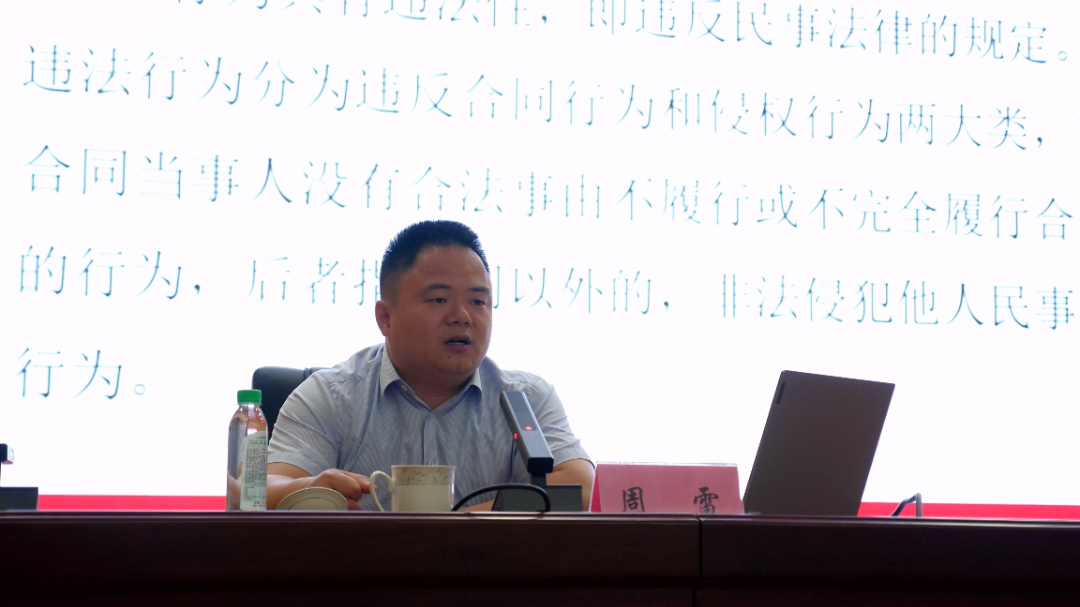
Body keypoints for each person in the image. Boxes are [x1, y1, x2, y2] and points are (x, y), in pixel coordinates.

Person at [266, 220, 593, 510]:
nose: (462, 316)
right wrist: (309, 488)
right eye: (439, 299)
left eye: (478, 301)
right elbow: (261, 490)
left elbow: (580, 488)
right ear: (385, 317)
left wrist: (456, 526)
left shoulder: (527, 399)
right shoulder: (330, 396)